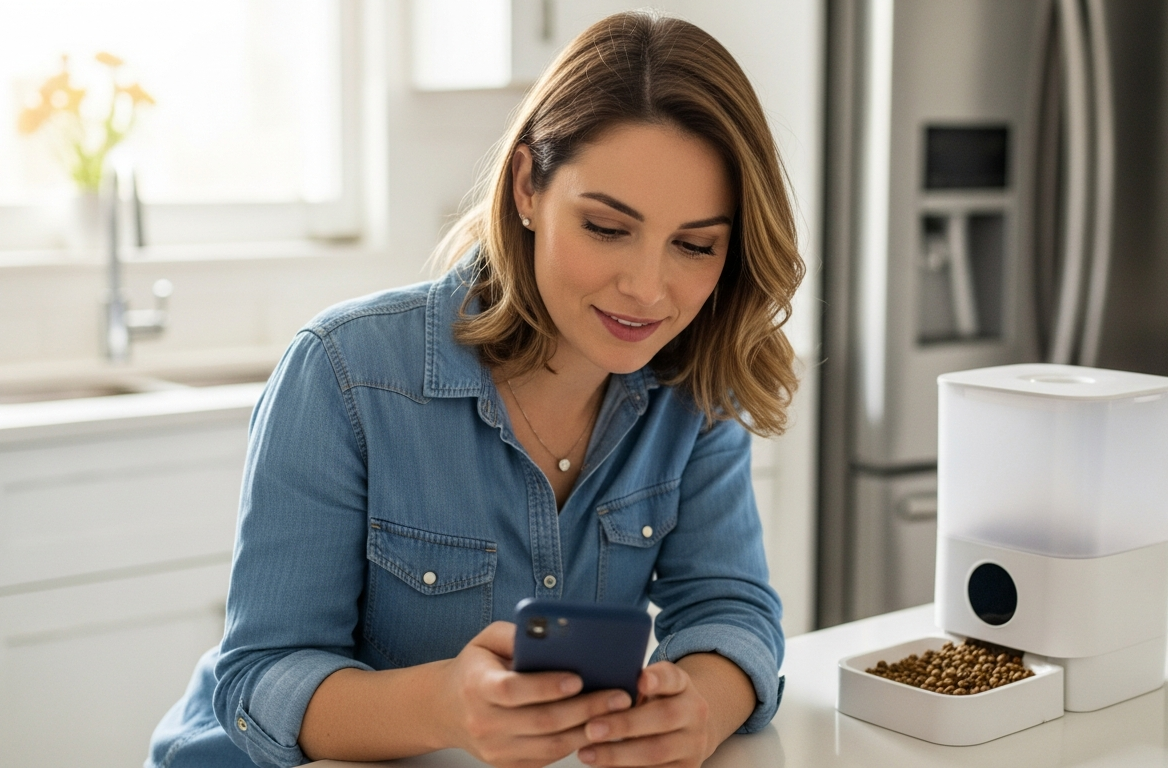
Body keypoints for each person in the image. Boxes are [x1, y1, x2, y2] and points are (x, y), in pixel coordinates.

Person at [147, 10, 803, 768]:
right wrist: (444, 706)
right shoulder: (344, 372)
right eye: (606, 228)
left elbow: (731, 610)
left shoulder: (695, 383)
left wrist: (702, 709)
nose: (648, 290)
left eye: (694, 245)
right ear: (528, 186)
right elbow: (262, 678)